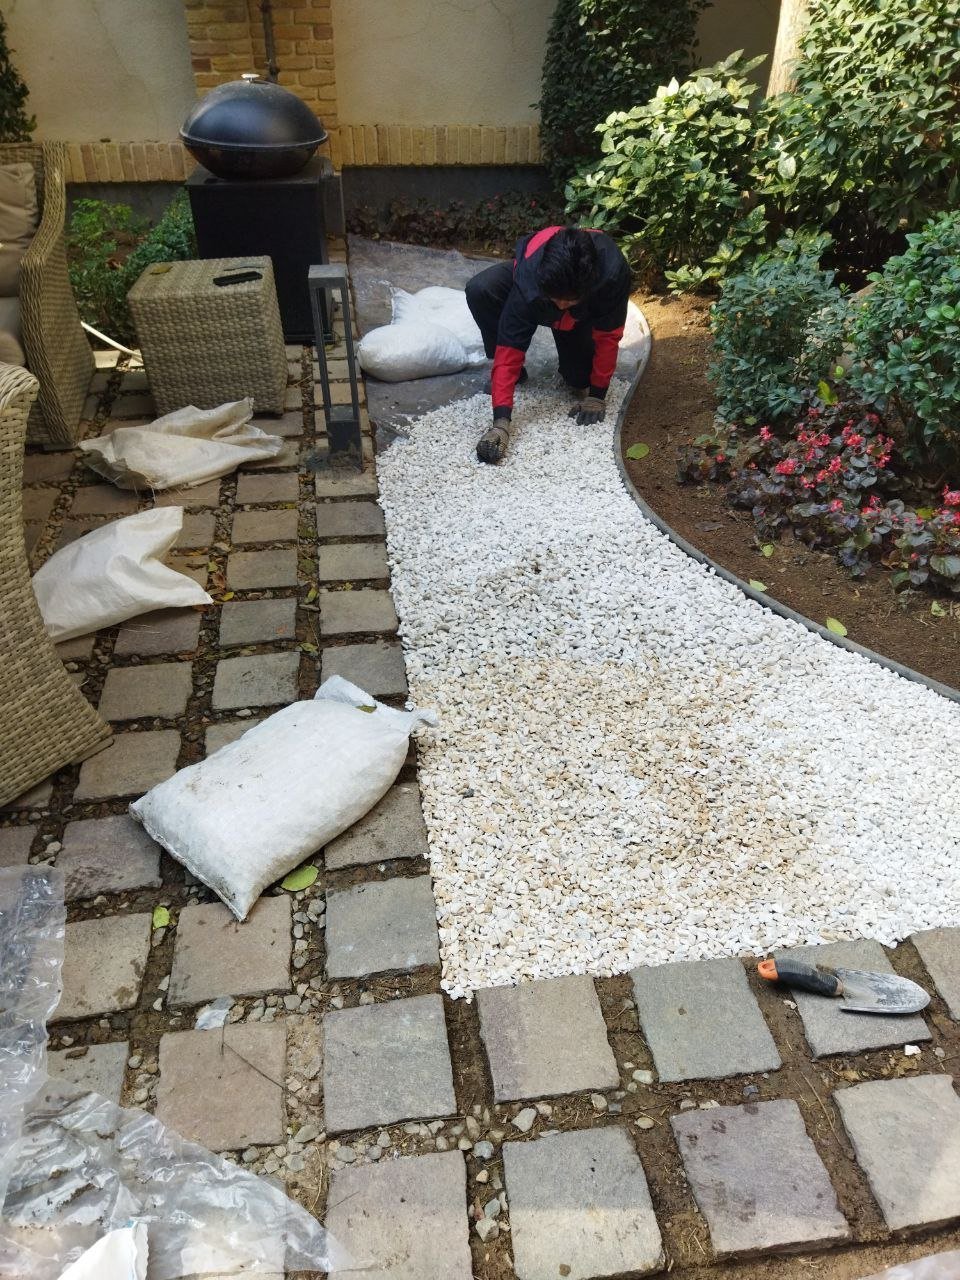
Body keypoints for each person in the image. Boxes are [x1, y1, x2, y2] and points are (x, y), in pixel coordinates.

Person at [465, 224, 631, 463]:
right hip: (542, 292)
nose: (562, 305)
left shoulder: (612, 276)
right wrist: (501, 421)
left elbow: (608, 337)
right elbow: (510, 347)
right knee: (482, 289)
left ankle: (576, 361)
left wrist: (597, 394)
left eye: (569, 301)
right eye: (557, 300)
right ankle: (517, 377)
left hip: (584, 310)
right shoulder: (528, 279)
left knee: (577, 380)